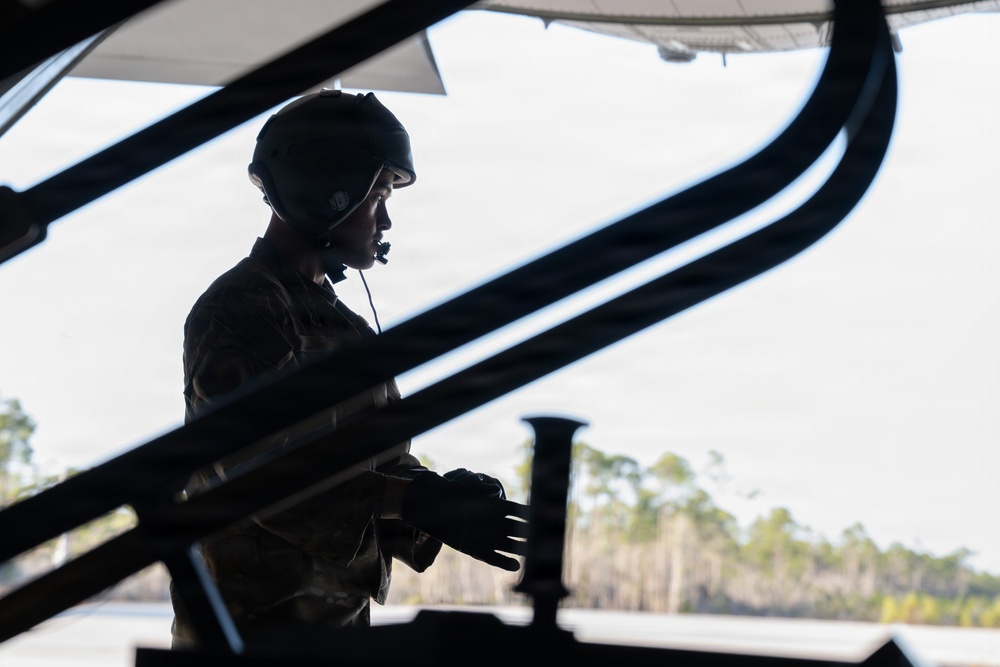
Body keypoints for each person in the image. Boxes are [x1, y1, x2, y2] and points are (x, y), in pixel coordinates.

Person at [170, 90, 529, 650]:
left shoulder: (344, 328)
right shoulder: (243, 308)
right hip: (245, 640)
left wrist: (437, 498)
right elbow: (254, 471)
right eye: (377, 195)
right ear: (324, 192)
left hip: (329, 636)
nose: (385, 219)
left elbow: (373, 468)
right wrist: (409, 500)